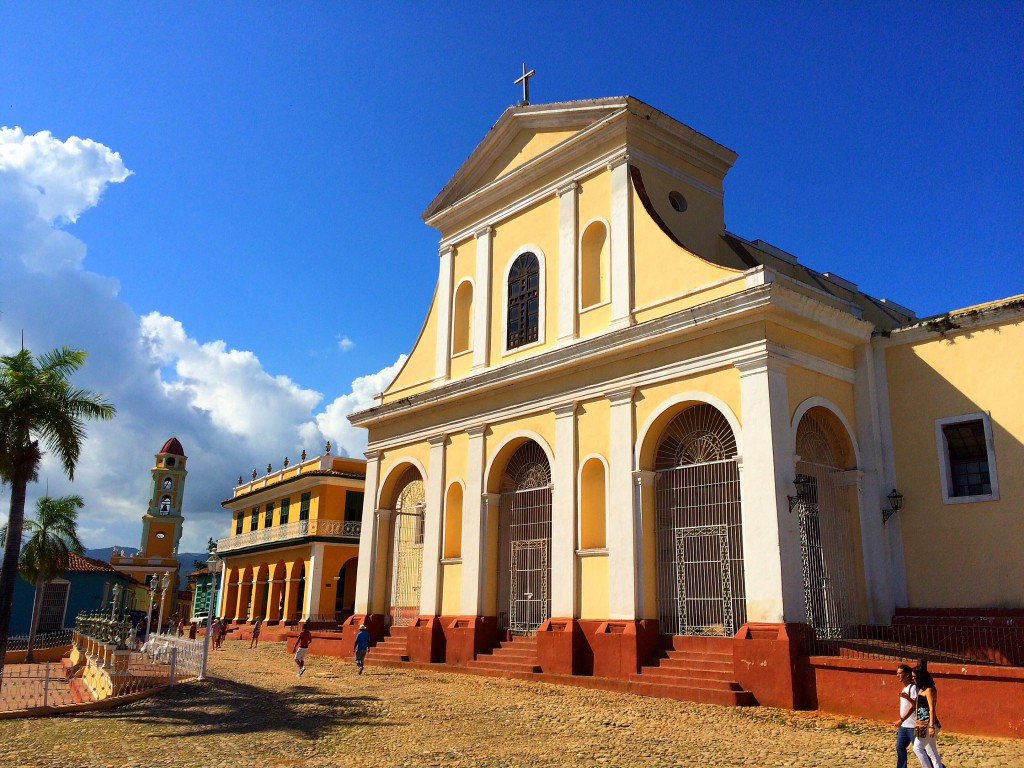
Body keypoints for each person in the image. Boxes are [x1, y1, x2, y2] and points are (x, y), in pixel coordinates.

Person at [912, 660, 944, 768]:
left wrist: (931, 726)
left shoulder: (929, 690)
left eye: (914, 677)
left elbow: (931, 708)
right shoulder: (921, 689)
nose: (913, 679)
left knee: (917, 748)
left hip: (928, 724)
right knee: (932, 751)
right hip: (922, 723)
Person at [894, 664, 918, 768]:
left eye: (900, 673)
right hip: (904, 726)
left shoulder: (913, 688)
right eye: (897, 673)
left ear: (907, 675)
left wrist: (901, 719)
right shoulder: (904, 689)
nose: (898, 675)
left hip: (912, 726)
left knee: (920, 750)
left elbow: (914, 706)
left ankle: (936, 765)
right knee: (900, 747)